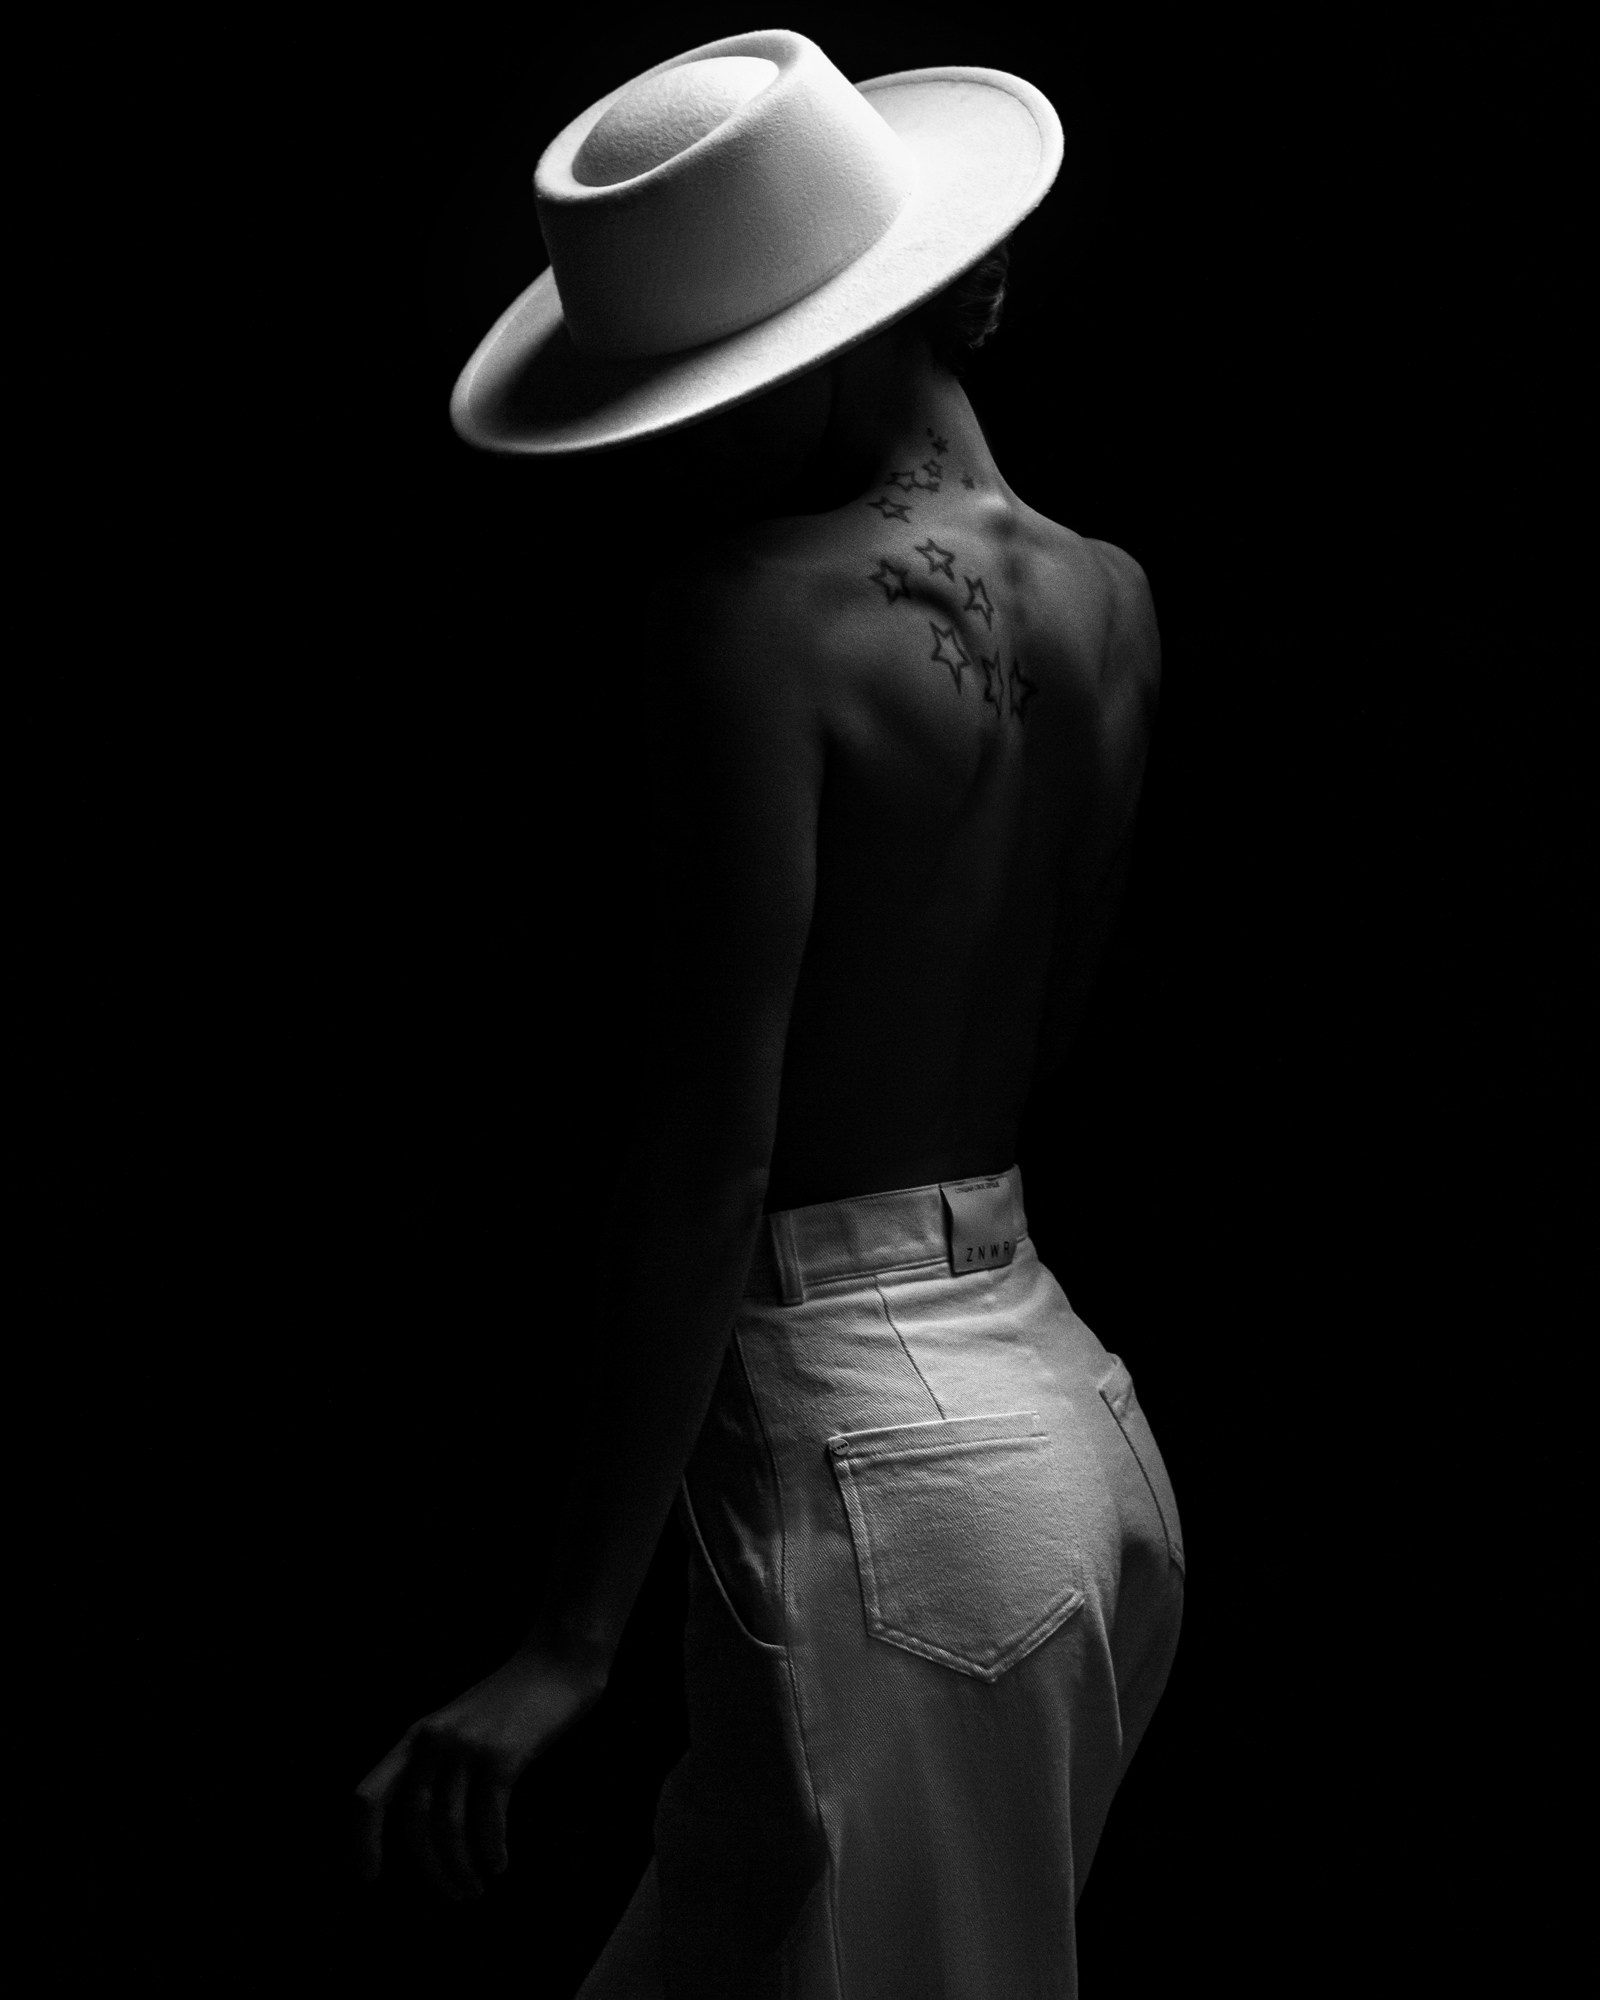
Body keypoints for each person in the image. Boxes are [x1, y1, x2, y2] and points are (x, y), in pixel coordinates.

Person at [356, 30, 1183, 1997]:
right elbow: (1048, 1031)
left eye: (685, 400)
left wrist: (568, 1638)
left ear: (805, 353)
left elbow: (711, 1150)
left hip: (884, 1486)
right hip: (1066, 1431)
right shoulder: (1113, 600)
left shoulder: (747, 620)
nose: (666, 453)